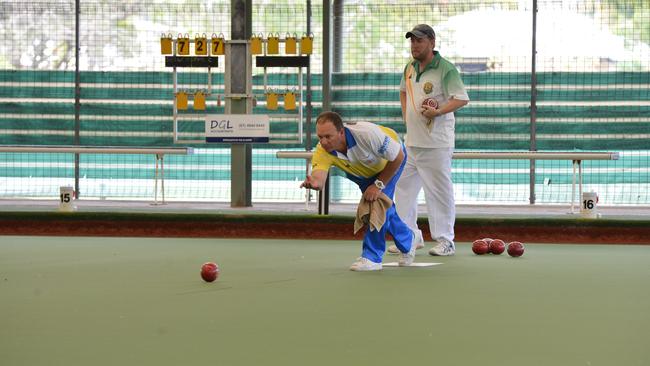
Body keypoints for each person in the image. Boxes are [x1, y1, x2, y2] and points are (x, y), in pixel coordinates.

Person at [389, 24, 469, 256]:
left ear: (432, 42)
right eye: (412, 41)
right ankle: (410, 237)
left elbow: (461, 99)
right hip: (411, 143)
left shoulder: (446, 69)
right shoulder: (409, 68)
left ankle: (446, 240)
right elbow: (403, 91)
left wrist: (439, 111)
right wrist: (406, 116)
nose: (414, 45)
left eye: (419, 41)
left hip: (436, 144)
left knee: (438, 192)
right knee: (403, 189)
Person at [301, 111, 415, 271]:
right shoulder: (322, 150)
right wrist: (313, 183)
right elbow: (319, 181)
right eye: (320, 137)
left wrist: (378, 185)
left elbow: (398, 157)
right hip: (361, 173)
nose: (323, 142)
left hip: (391, 162)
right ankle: (409, 240)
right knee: (386, 207)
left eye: (328, 136)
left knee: (375, 204)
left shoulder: (367, 134)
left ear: (341, 132)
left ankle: (372, 257)